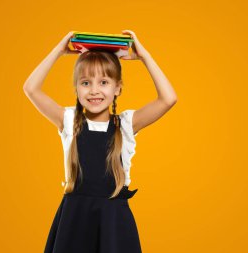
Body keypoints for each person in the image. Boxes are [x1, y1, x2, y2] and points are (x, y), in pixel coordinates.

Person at [23, 29, 178, 253]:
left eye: (103, 82)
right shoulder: (69, 121)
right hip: (75, 218)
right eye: (85, 83)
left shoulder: (125, 125)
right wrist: (59, 51)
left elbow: (168, 98)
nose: (94, 90)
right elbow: (30, 88)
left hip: (114, 219)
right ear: (76, 89)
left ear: (118, 88)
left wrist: (144, 57)